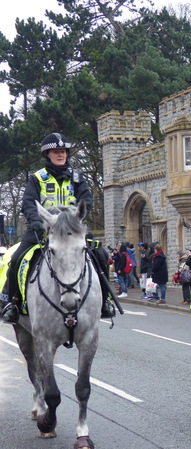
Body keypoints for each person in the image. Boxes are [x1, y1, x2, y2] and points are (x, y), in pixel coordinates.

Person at [1, 132, 114, 323]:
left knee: (101, 254)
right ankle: (13, 302)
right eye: (56, 151)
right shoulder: (37, 178)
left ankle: (106, 300)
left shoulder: (77, 177)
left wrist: (78, 219)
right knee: (18, 258)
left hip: (73, 228)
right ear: (48, 155)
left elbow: (86, 199)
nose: (60, 154)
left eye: (63, 151)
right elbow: (29, 202)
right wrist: (35, 221)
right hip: (43, 228)